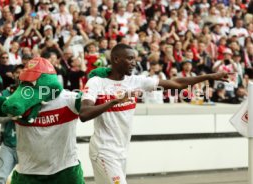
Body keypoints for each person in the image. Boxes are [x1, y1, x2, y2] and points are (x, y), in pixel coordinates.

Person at [79, 44, 231, 184]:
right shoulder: (97, 83)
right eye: (130, 58)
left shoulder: (136, 81)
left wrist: (208, 76)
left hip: (121, 151)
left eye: (135, 59)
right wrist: (113, 102)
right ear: (116, 59)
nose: (134, 62)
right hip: (104, 151)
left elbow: (176, 83)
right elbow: (84, 114)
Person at [0, 65, 24, 184]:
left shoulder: (33, 94)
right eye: (17, 72)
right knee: (0, 178)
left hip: (28, 146)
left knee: (29, 180)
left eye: (23, 72)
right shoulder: (5, 93)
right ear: (13, 75)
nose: (20, 75)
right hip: (8, 144)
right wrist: (12, 114)